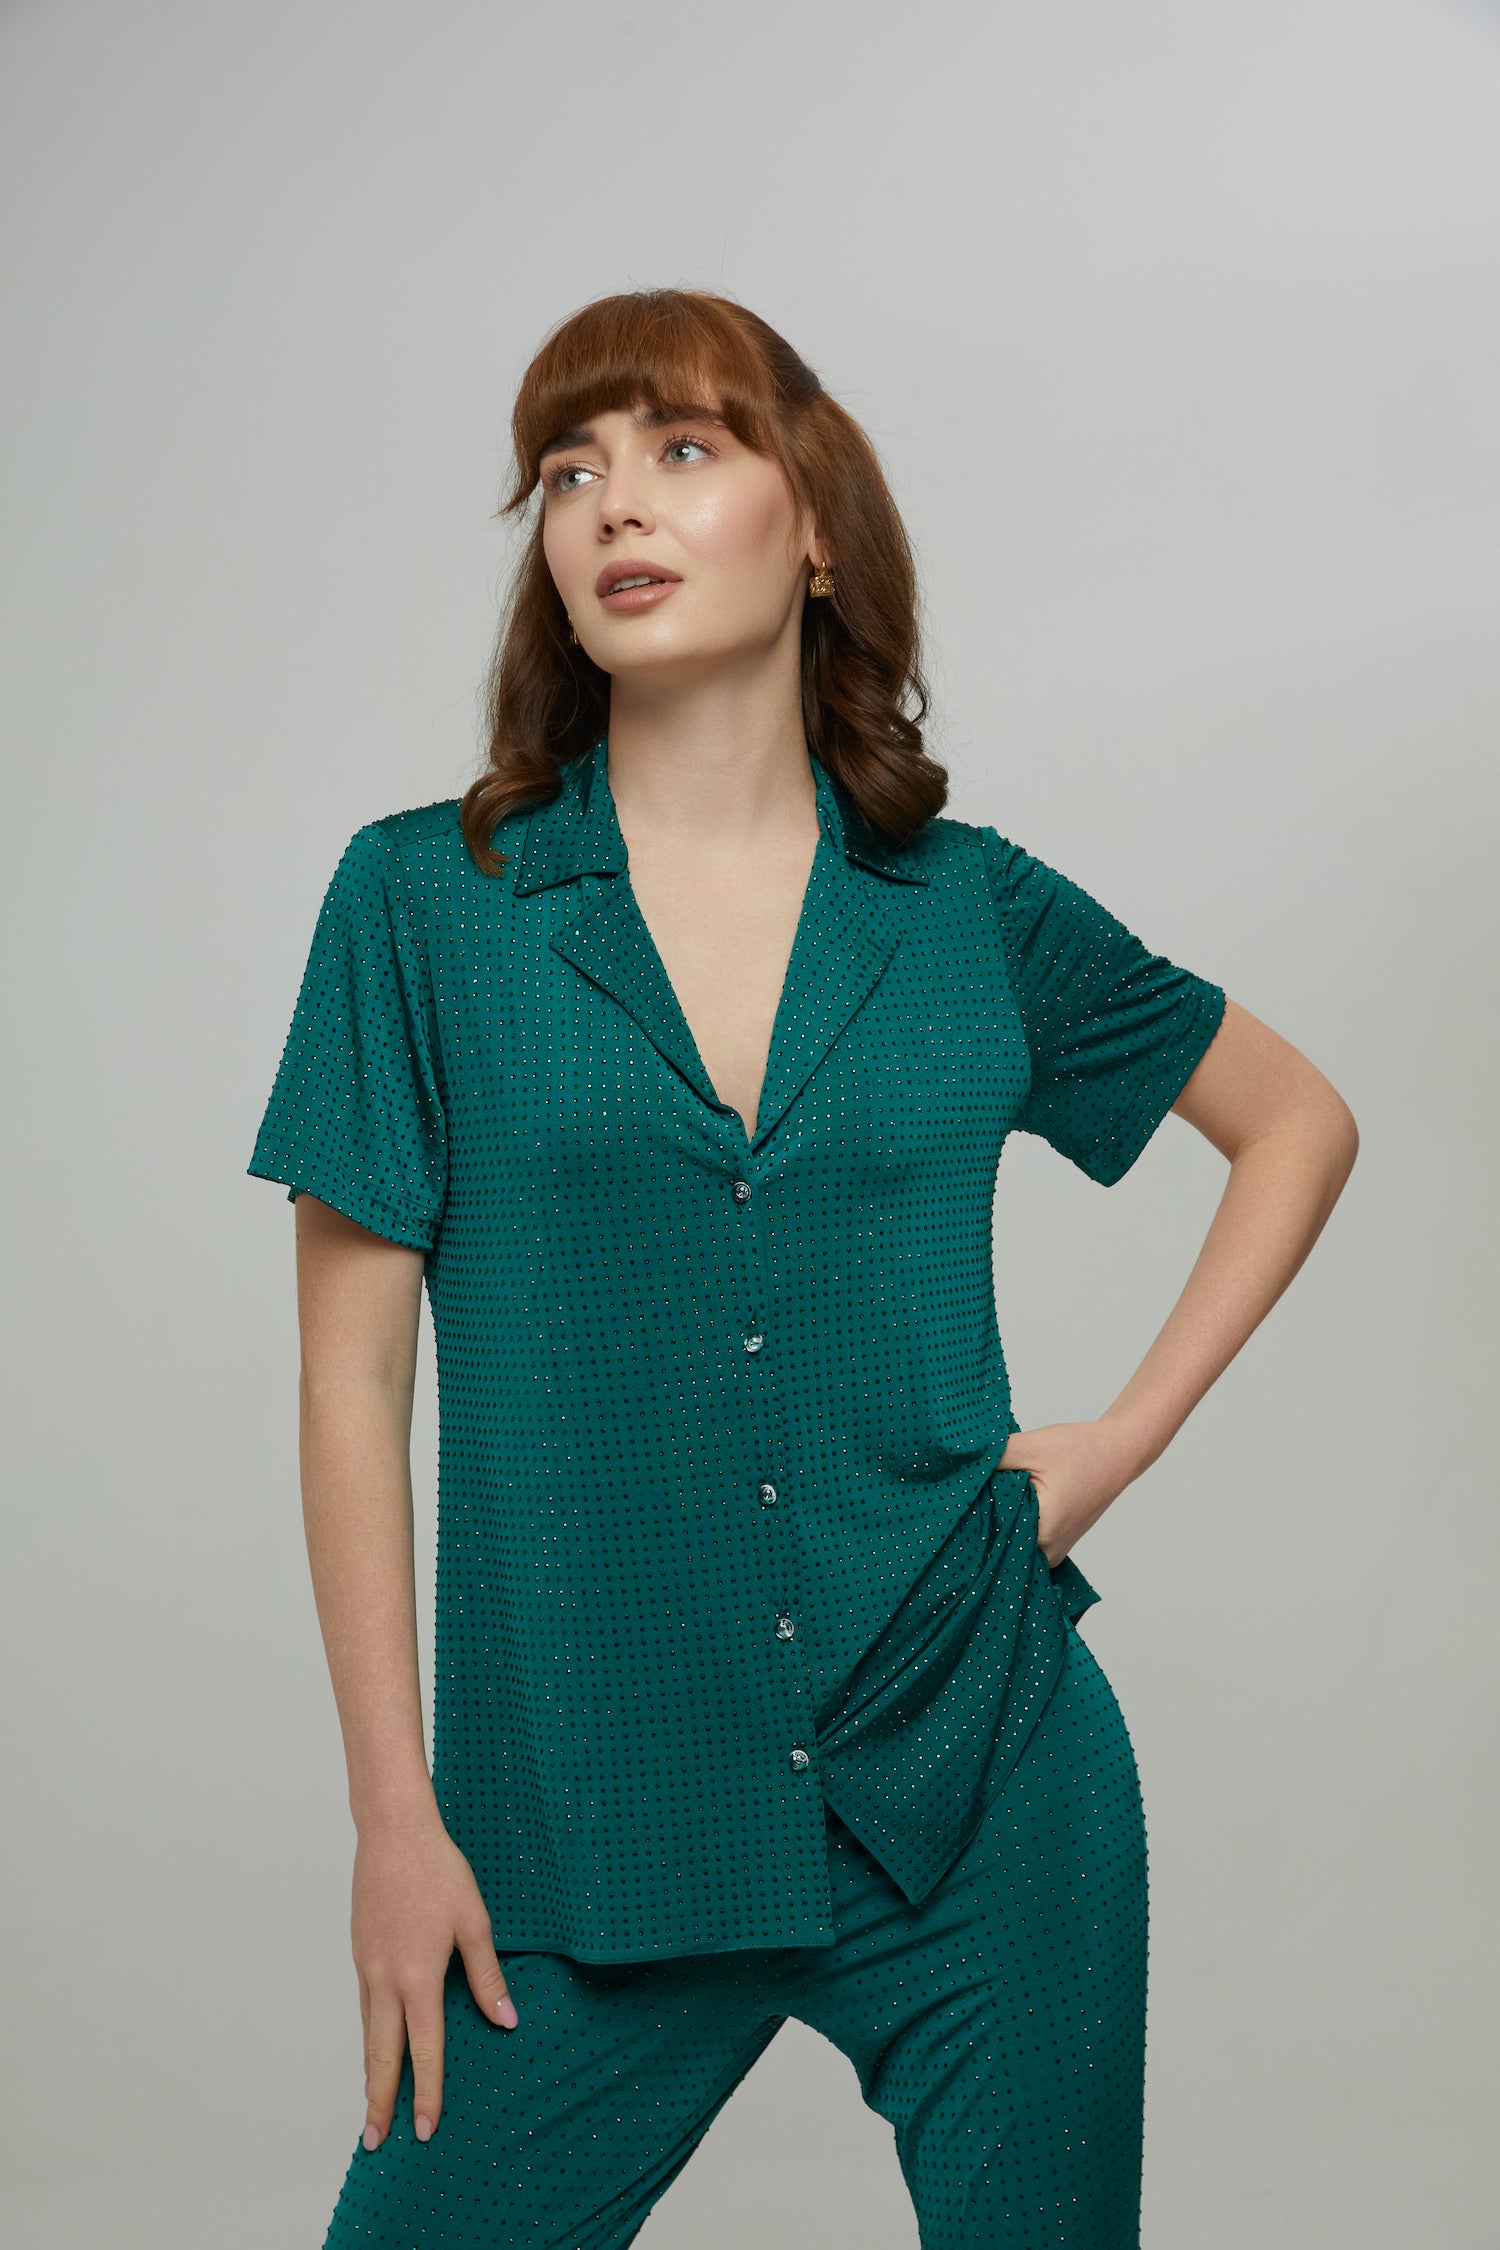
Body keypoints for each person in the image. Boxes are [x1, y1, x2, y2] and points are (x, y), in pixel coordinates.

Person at [247, 287, 1358, 2249]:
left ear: (817, 524)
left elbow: (1296, 1121)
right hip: (587, 1816)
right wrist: (394, 1820)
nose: (612, 504)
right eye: (568, 471)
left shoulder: (966, 909)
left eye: (682, 449)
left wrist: (1118, 1439)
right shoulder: (424, 905)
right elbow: (354, 1380)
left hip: (975, 1768)